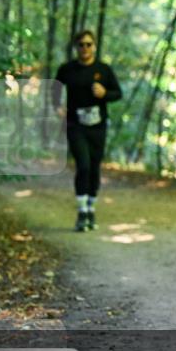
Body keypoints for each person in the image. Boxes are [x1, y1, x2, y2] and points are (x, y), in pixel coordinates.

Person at [53, 30, 123, 232]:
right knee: (82, 165)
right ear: (76, 47)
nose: (85, 48)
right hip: (75, 124)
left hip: (98, 126)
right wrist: (57, 106)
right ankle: (82, 212)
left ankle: (91, 208)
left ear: (94, 46)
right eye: (81, 45)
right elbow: (54, 90)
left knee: (94, 168)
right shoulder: (67, 69)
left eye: (88, 44)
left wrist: (104, 93)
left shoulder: (104, 69)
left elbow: (118, 93)